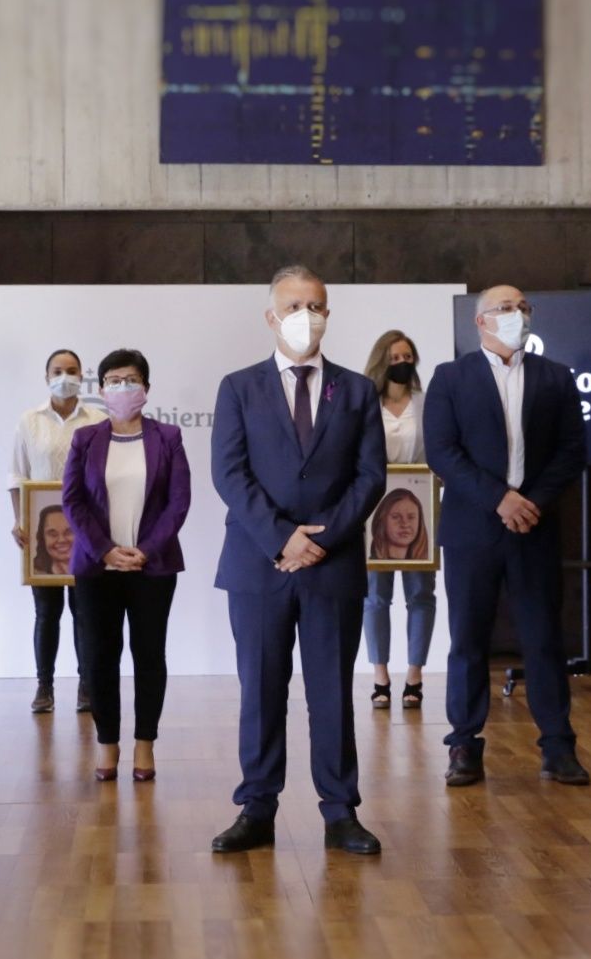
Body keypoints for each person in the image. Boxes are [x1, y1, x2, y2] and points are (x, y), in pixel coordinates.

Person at [209, 265, 387, 856]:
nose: (304, 316)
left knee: (331, 691)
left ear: (329, 314)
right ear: (271, 316)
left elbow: (370, 477)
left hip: (331, 565)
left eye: (315, 305)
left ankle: (341, 813)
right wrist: (283, 537)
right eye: (292, 306)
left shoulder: (357, 390)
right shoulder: (239, 387)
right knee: (260, 690)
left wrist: (323, 538)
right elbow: (229, 474)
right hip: (259, 564)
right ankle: (255, 809)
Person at [426, 285, 591, 788]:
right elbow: (443, 451)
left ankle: (558, 746)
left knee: (544, 639)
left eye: (523, 308)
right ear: (481, 322)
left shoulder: (556, 378)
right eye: (505, 308)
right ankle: (464, 747)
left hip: (534, 526)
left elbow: (571, 450)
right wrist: (499, 498)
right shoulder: (450, 378)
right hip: (472, 528)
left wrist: (530, 501)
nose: (516, 315)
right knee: (468, 640)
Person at [61, 348, 192, 783]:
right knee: (99, 657)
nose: (122, 388)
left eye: (131, 380)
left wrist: (146, 550)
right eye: (114, 380)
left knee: (149, 655)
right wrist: (104, 550)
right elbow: (73, 500)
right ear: (101, 390)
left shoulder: (168, 437)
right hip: (97, 568)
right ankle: (107, 744)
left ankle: (144, 745)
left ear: (146, 389)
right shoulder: (85, 439)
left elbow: (178, 502)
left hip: (152, 568)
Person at [9, 349, 105, 714]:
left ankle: (86, 686)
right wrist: (21, 521)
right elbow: (16, 475)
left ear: (83, 376)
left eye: (72, 370)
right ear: (46, 375)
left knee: (85, 612)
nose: (65, 376)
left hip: (85, 531)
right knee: (46, 613)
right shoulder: (29, 421)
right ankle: (44, 686)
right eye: (57, 370)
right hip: (43, 533)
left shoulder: (97, 419)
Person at [362, 330, 436, 710]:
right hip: (374, 507)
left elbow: (439, 449)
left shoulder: (426, 403)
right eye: (394, 358)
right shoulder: (365, 402)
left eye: (408, 356)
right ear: (381, 362)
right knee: (376, 596)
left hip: (420, 502)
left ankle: (414, 675)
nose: (402, 363)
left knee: (421, 594)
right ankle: (380, 676)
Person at [37, 505, 74, 576]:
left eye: (69, 532)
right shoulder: (37, 573)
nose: (62, 540)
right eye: (53, 534)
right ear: (42, 538)